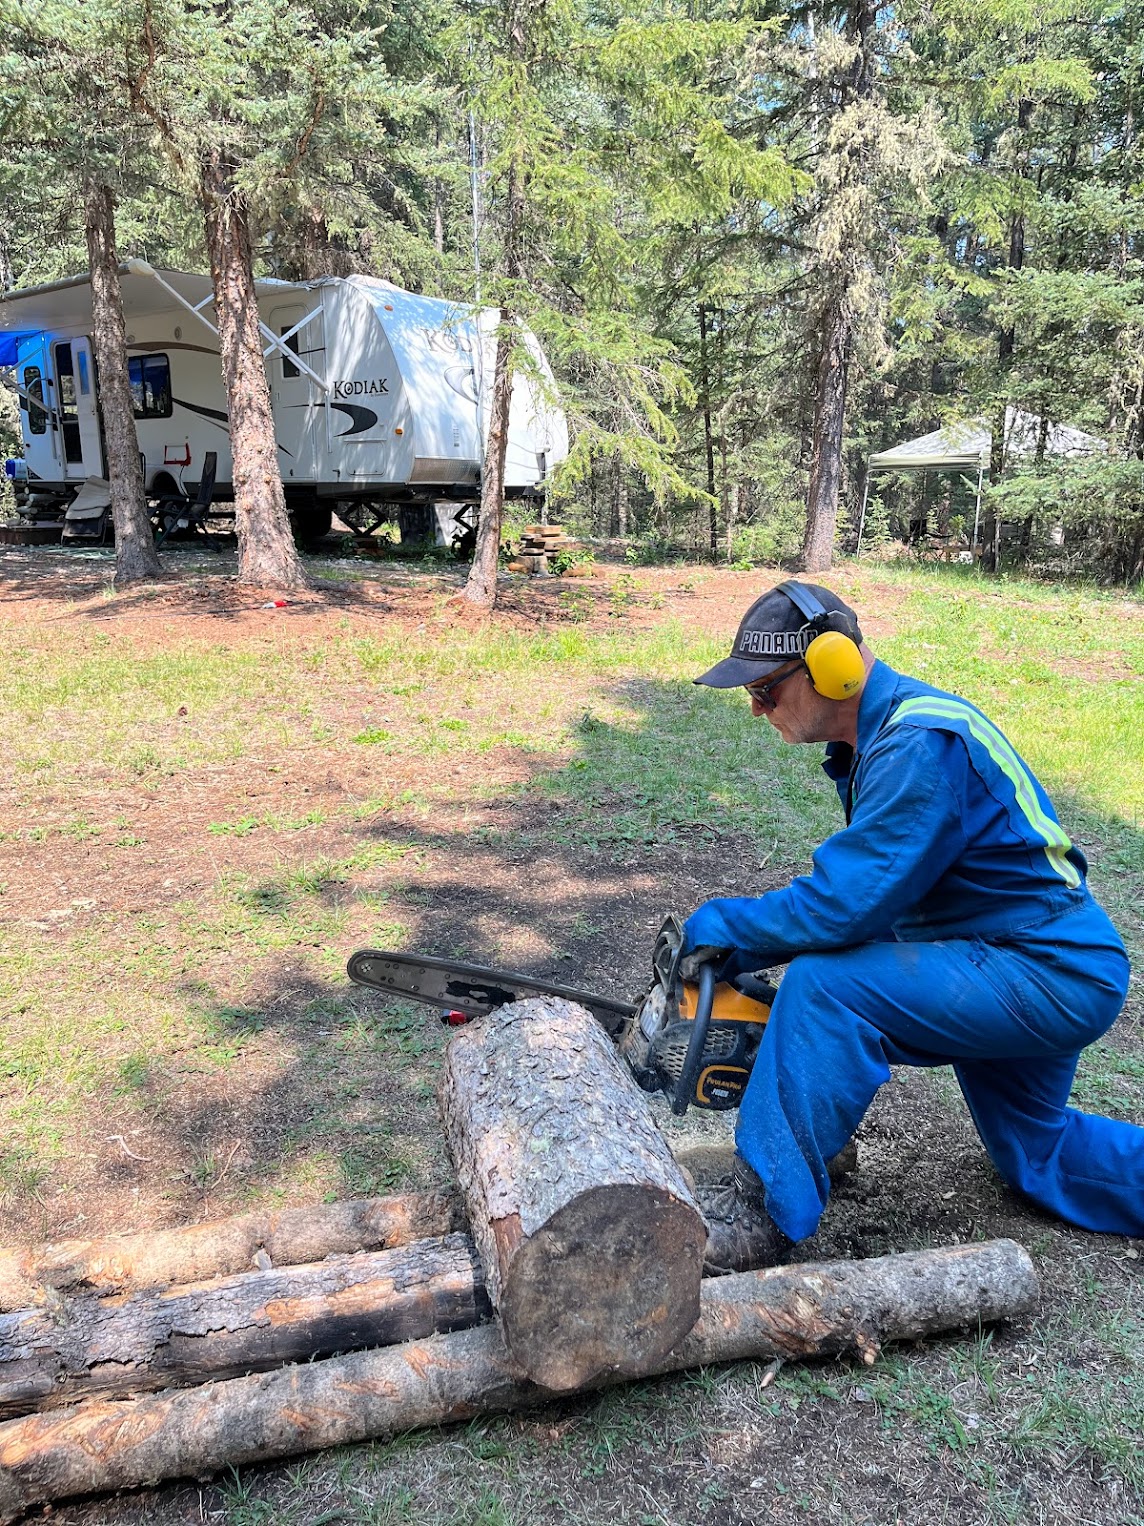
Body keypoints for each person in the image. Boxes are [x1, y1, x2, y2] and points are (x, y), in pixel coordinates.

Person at [683, 579, 1142, 1274]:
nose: (756, 707)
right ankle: (815, 1143)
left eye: (767, 689)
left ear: (833, 666)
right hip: (1013, 954)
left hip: (1045, 968)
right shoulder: (886, 736)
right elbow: (888, 902)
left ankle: (762, 1211)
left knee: (825, 990)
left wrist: (727, 929)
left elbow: (845, 906)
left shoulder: (916, 744)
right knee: (1036, 1153)